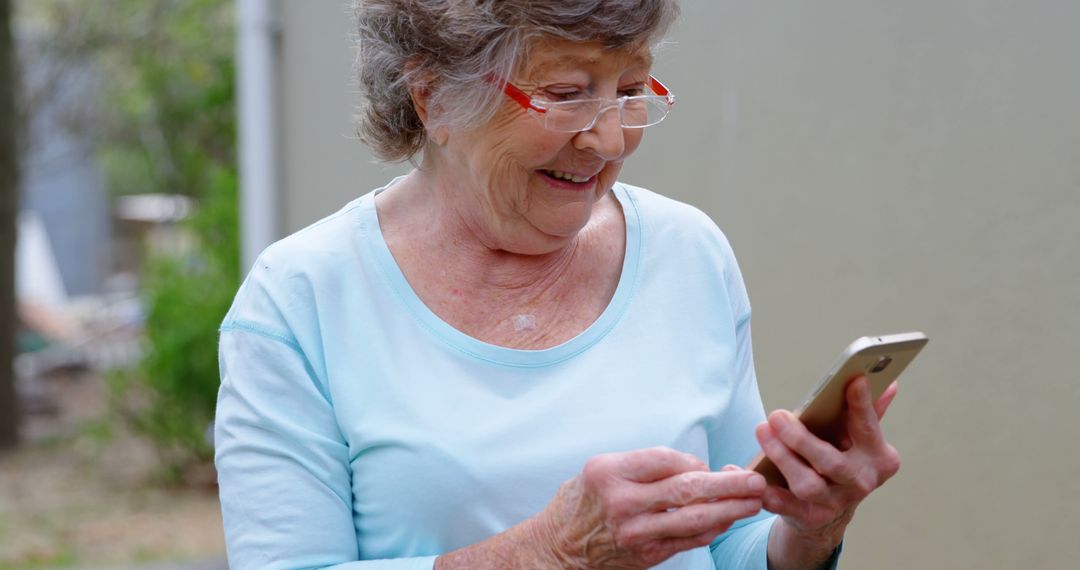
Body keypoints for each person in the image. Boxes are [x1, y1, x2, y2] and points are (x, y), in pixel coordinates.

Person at [214, 1, 902, 568]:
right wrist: (546, 553)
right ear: (431, 99)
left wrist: (808, 530)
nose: (607, 140)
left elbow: (728, 548)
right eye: (567, 94)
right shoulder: (300, 300)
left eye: (631, 91)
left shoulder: (687, 251)